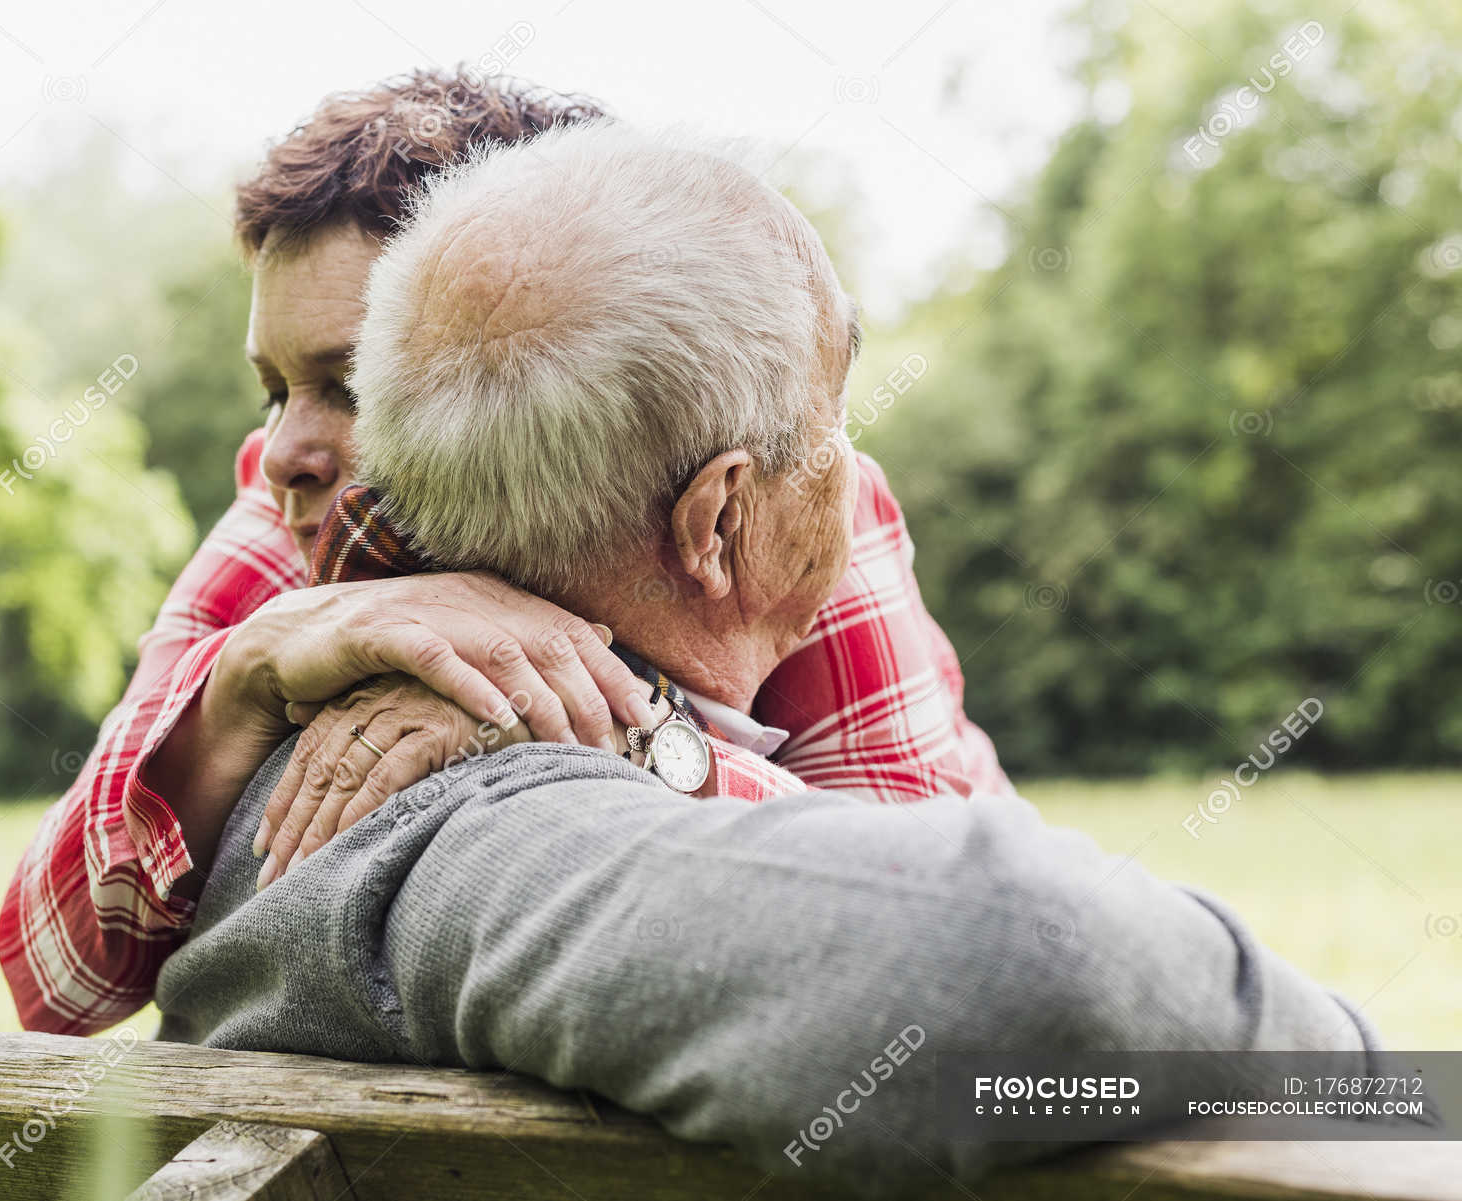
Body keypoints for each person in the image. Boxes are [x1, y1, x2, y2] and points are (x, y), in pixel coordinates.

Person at [151, 128, 1383, 1193]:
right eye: (832, 423)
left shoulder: (376, 767)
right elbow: (1026, 955)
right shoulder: (434, 813)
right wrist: (1386, 1097)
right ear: (718, 518)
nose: (856, 477)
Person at [0, 70, 1004, 1037]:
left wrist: (617, 731)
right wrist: (241, 683)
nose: (284, 449)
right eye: (274, 387)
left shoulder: (795, 498)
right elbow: (57, 983)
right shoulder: (297, 506)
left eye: (350, 383)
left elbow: (926, 921)